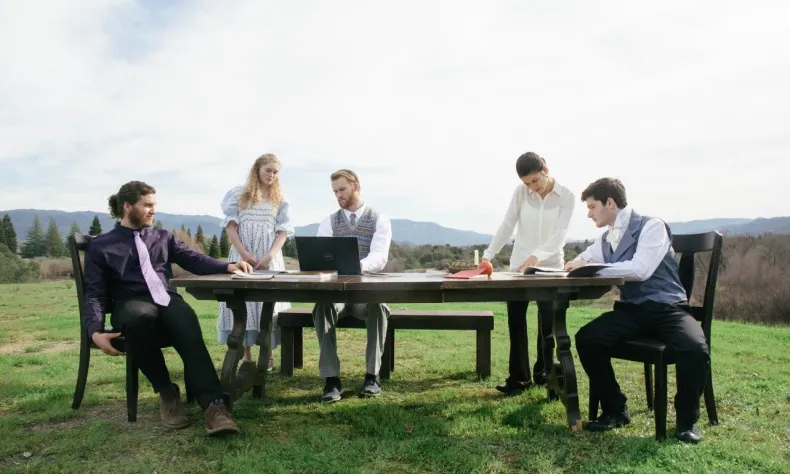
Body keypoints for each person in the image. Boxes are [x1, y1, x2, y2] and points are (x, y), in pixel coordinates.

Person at [82, 181, 252, 435]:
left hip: (167, 300)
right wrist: (94, 330)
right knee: (138, 319)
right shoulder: (102, 246)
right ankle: (167, 392)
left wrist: (227, 266)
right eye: (147, 205)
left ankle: (214, 407)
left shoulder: (162, 237)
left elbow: (193, 260)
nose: (153, 211)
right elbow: (94, 293)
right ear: (127, 207)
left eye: (154, 205)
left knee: (185, 320)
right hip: (130, 303)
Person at [567, 177, 710, 443]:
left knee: (694, 348)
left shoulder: (652, 226)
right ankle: (615, 409)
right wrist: (576, 262)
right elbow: (584, 258)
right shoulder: (606, 238)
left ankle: (686, 422)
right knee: (588, 338)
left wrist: (594, 268)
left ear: (610, 202)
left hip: (668, 308)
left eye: (592, 206)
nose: (588, 214)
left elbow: (640, 269)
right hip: (632, 311)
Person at [481, 152, 575, 395]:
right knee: (516, 321)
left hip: (550, 267)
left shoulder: (566, 196)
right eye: (527, 183)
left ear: (545, 169)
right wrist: (488, 255)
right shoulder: (520, 193)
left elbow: (561, 234)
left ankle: (543, 372)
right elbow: (507, 225)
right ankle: (519, 378)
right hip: (519, 267)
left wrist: (538, 256)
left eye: (535, 181)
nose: (532, 187)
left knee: (547, 325)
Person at [312, 169, 392, 402]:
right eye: (335, 191)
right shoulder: (329, 222)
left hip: (365, 295)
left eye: (342, 189)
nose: (338, 195)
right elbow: (319, 255)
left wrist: (353, 266)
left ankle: (372, 376)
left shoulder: (379, 219)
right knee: (321, 306)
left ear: (356, 186)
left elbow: (379, 258)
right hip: (336, 294)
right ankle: (332, 380)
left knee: (379, 306)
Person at [217, 153, 294, 374]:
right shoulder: (238, 194)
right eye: (268, 170)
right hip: (243, 254)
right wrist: (243, 253)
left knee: (267, 304)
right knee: (242, 302)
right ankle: (247, 355)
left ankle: (267, 353)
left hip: (269, 256)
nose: (272, 175)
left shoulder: (279, 198)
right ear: (258, 169)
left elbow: (283, 232)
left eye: (276, 172)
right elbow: (231, 226)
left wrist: (270, 255)